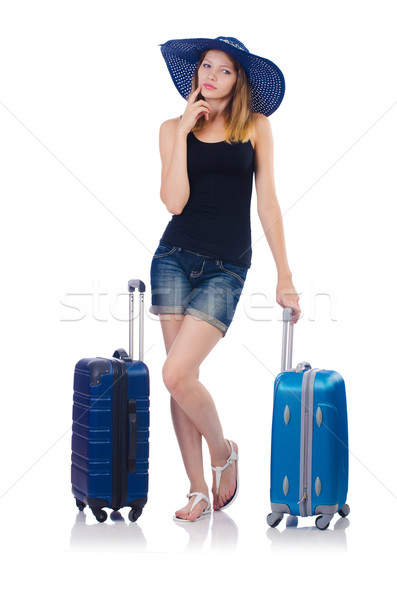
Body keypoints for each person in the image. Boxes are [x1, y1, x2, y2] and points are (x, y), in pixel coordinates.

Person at [149, 36, 301, 522]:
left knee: (176, 373)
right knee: (179, 380)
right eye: (205, 66)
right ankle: (196, 488)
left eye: (225, 70)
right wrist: (181, 133)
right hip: (172, 257)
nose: (211, 76)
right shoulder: (171, 128)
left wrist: (286, 275)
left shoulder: (256, 127)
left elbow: (268, 202)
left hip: (226, 267)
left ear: (238, 82)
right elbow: (173, 202)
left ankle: (224, 452)